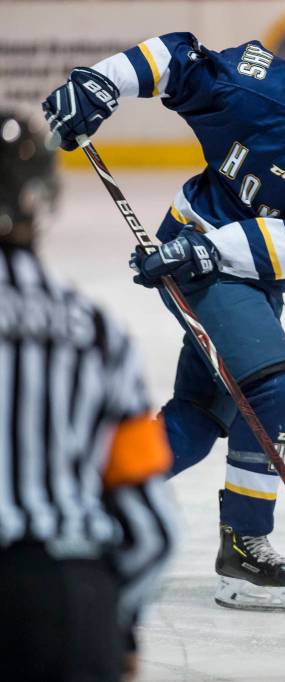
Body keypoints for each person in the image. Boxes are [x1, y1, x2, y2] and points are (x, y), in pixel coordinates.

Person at [41, 3, 285, 611]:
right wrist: (101, 83)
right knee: (273, 388)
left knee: (199, 421)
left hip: (236, 269)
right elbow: (176, 56)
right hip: (195, 256)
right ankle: (246, 547)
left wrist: (207, 252)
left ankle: (72, 488)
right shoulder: (255, 87)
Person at [0, 110, 177, 681]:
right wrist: (115, 623)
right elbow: (153, 526)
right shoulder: (96, 331)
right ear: (39, 199)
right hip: (70, 607)